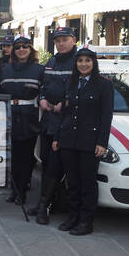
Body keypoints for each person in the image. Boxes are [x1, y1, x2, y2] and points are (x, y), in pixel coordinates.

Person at [53, 46, 112, 235]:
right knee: (72, 182)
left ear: (93, 63)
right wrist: (57, 137)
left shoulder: (104, 84)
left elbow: (106, 116)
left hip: (89, 140)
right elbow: (64, 112)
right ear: (75, 63)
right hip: (69, 139)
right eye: (80, 61)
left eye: (87, 61)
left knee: (88, 183)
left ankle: (86, 221)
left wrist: (102, 142)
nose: (83, 64)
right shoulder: (69, 82)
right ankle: (73, 217)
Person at [29, 27, 78, 218]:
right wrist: (41, 98)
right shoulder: (52, 61)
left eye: (65, 40)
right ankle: (49, 203)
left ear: (73, 40)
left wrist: (66, 104)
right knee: (47, 164)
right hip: (48, 121)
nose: (61, 43)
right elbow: (44, 85)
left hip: (67, 123)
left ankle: (45, 206)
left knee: (56, 167)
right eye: (58, 41)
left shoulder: (79, 62)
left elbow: (85, 91)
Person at [0, 35, 44, 207]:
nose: (21, 50)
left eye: (25, 46)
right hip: (9, 116)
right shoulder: (5, 69)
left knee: (26, 157)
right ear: (14, 51)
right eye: (18, 47)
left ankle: (22, 191)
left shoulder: (39, 70)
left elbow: (43, 93)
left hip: (28, 117)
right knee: (13, 157)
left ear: (30, 49)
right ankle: (14, 188)